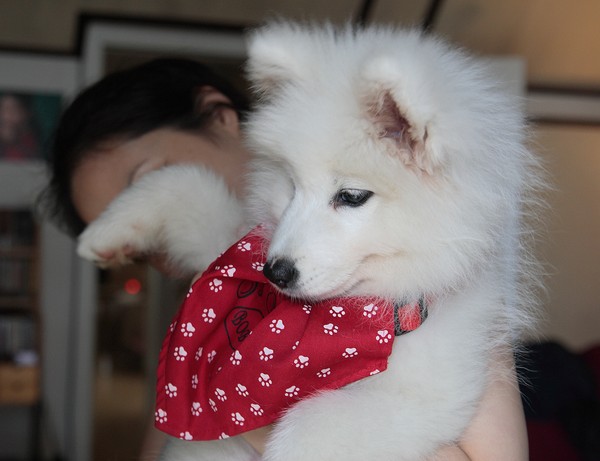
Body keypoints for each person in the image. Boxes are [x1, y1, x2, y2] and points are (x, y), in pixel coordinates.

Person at [41, 58, 528, 460]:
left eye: (148, 176)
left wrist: (267, 428)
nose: (148, 252)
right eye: (134, 248)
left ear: (217, 114)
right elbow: (174, 432)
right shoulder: (217, 309)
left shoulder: (428, 287)